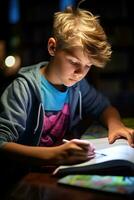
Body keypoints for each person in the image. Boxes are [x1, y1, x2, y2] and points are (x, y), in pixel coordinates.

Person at [0, 6, 134, 168]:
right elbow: (1, 144)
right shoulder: (23, 89)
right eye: (74, 62)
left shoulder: (77, 86)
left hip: (58, 171)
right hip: (22, 180)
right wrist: (55, 155)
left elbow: (104, 108)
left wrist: (116, 125)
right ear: (52, 47)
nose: (80, 73)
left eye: (88, 65)